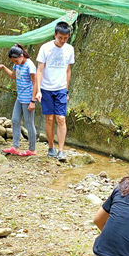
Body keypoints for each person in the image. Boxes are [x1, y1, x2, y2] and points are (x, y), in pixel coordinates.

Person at [36, 21, 74, 160]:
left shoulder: (69, 49)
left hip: (61, 89)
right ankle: (51, 147)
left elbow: (68, 70)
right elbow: (39, 70)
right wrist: (38, 90)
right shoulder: (45, 48)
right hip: (46, 88)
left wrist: (66, 90)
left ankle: (61, 150)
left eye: (65, 38)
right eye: (60, 38)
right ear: (55, 35)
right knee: (50, 119)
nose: (63, 41)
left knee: (61, 118)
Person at [0, 44, 38, 156]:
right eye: (13, 61)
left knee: (29, 123)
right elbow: (13, 76)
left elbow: (35, 83)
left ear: (22, 56)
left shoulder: (30, 66)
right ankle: (15, 147)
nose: (15, 63)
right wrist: (3, 67)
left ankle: (32, 150)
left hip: (28, 98)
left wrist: (33, 101)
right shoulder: (17, 65)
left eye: (16, 60)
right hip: (20, 96)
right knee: (15, 120)